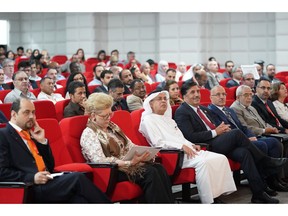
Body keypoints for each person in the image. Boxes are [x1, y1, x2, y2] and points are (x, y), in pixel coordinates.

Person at [174, 80, 288, 203]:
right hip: (206, 146)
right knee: (237, 133)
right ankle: (266, 160)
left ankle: (258, 193)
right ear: (184, 96)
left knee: (245, 153)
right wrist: (215, 132)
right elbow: (190, 136)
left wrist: (223, 129)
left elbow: (216, 125)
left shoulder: (202, 108)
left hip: (219, 140)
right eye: (192, 92)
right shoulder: (182, 111)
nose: (197, 94)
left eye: (198, 91)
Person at [0, 98, 110, 203]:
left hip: (48, 182)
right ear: (14, 114)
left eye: (33, 112)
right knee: (77, 178)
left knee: (79, 200)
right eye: (26, 112)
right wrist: (32, 178)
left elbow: (50, 166)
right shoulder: (3, 135)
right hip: (30, 187)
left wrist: (42, 142)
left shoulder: (30, 133)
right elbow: (2, 172)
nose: (31, 116)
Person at [139, 90, 237, 204]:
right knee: (203, 163)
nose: (163, 101)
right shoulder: (148, 120)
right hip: (173, 155)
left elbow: (181, 138)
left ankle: (216, 196)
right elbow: (158, 143)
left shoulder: (169, 120)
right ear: (150, 103)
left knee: (220, 158)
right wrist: (181, 146)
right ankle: (208, 201)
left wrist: (191, 145)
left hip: (186, 150)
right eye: (159, 99)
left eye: (165, 99)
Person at [80, 93, 174, 203]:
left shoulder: (112, 126)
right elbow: (100, 160)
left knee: (159, 168)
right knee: (150, 173)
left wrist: (143, 153)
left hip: (127, 164)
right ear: (92, 116)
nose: (109, 118)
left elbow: (130, 145)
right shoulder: (89, 133)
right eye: (104, 116)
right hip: (112, 171)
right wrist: (129, 163)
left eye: (110, 114)